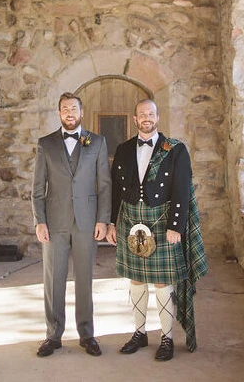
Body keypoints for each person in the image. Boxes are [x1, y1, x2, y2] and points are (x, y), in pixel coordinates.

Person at [106, 98, 208, 361]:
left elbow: (182, 190)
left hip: (162, 221)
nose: (146, 118)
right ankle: (139, 333)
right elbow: (115, 189)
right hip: (131, 220)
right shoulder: (124, 148)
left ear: (157, 117)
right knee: (136, 278)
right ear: (135, 118)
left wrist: (176, 226)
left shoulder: (174, 150)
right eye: (142, 114)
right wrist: (110, 222)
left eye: (151, 113)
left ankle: (166, 338)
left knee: (163, 281)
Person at [31, 92, 111, 357]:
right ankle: (53, 336)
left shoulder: (97, 142)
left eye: (73, 108)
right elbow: (37, 188)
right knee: (53, 279)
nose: (69, 112)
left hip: (87, 221)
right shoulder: (46, 144)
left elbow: (104, 185)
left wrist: (103, 219)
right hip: (55, 222)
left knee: (85, 278)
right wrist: (39, 221)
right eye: (65, 108)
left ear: (81, 112)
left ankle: (87, 334)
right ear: (59, 113)